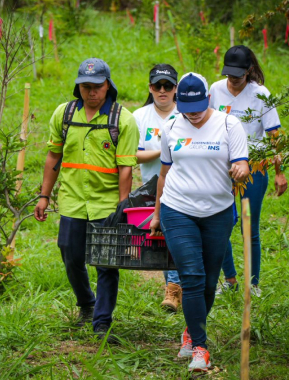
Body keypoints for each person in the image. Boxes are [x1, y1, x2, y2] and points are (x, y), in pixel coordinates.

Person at [34, 58, 139, 342]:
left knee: (106, 263)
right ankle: (86, 303)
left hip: (106, 203)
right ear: (78, 86)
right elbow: (53, 156)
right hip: (72, 200)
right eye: (85, 86)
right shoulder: (64, 114)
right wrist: (44, 195)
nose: (91, 92)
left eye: (97, 86)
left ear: (108, 86)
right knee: (70, 253)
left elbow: (126, 167)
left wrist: (123, 207)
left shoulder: (123, 120)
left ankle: (102, 322)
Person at [150, 72, 249, 371]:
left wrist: (241, 168)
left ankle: (190, 331)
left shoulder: (229, 124)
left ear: (208, 99)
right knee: (191, 276)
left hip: (218, 212)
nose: (192, 114)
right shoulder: (170, 126)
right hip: (177, 209)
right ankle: (200, 349)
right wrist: (156, 213)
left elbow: (242, 161)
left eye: (198, 107)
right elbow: (165, 174)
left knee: (207, 282)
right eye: (186, 107)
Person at [209, 45, 288, 297]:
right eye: (229, 74)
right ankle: (229, 280)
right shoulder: (215, 89)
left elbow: (274, 135)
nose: (233, 80)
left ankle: (253, 284)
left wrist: (279, 171)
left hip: (253, 167)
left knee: (248, 227)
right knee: (220, 225)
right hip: (221, 167)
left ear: (249, 70)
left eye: (238, 75)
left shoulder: (261, 94)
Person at [133, 64, 182, 312]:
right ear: (150, 88)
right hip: (153, 187)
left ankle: (173, 289)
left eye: (168, 86)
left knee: (175, 234)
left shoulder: (187, 113)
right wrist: (163, 153)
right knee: (163, 235)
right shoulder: (140, 116)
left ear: (176, 89)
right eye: (157, 86)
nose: (162, 90)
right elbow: (132, 154)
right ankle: (173, 287)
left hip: (184, 186)